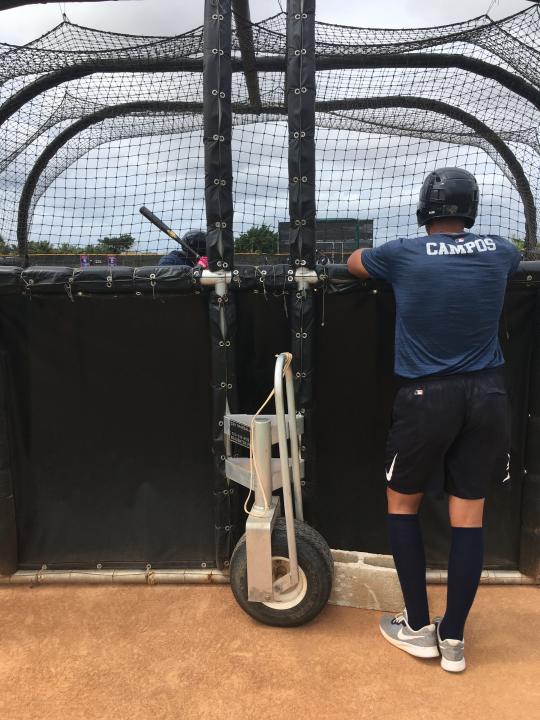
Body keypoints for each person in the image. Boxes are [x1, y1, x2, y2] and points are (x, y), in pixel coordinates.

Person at [347, 167, 521, 673]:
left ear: (425, 211)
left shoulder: (402, 252)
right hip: (489, 395)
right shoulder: (501, 249)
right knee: (469, 516)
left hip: (427, 398)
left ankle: (419, 627)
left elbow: (356, 262)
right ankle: (454, 640)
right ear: (470, 210)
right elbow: (506, 262)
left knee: (403, 505)